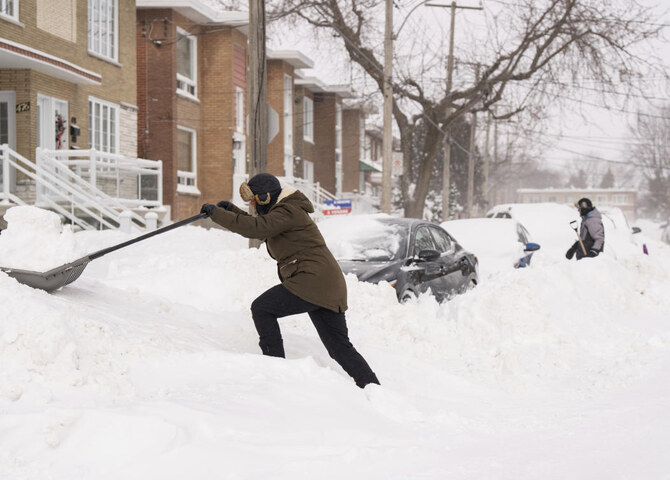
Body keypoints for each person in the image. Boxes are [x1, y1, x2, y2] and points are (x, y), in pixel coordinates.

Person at [200, 173, 380, 389]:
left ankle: (275, 370)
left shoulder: (288, 211)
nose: (252, 207)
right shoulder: (283, 212)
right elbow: (262, 227)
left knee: (262, 309)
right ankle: (373, 388)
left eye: (253, 202)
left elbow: (257, 228)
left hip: (313, 280)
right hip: (326, 283)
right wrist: (231, 211)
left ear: (265, 198)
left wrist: (218, 215)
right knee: (339, 348)